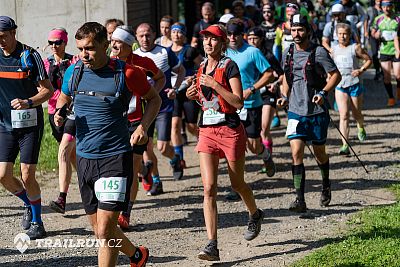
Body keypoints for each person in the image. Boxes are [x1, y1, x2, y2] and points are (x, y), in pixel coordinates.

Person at [54, 22, 161, 266]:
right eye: (80, 48)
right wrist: (59, 112)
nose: (84, 54)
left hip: (115, 157)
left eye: (90, 48)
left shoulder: (127, 73)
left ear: (106, 45)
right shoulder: (75, 71)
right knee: (101, 231)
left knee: (104, 231)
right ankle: (137, 254)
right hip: (85, 158)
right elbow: (64, 97)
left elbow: (154, 99)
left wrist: (143, 126)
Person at [186, 24, 264, 262]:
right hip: (208, 131)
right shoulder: (201, 68)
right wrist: (194, 94)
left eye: (213, 39)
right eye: (205, 39)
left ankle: (255, 213)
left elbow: (238, 102)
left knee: (237, 184)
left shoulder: (229, 66)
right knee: (209, 188)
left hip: (230, 130)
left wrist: (215, 85)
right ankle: (212, 244)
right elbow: (206, 101)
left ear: (222, 44)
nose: (208, 43)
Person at [277, 13, 342, 212]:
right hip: (295, 111)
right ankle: (299, 199)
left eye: (300, 30)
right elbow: (287, 77)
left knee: (319, 153)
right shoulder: (288, 52)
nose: (296, 34)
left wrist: (323, 92)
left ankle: (325, 184)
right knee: (296, 153)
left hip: (316, 111)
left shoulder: (319, 52)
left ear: (308, 30)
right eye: (293, 30)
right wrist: (284, 96)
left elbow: (335, 75)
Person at [0, 16, 54, 239]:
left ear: (14, 32)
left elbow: (48, 91)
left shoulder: (29, 56)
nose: (0, 41)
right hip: (4, 123)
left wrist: (28, 102)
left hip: (29, 124)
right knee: (3, 175)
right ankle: (28, 204)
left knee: (27, 175)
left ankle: (37, 222)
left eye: (3, 36)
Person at [110, 25, 166, 229]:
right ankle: (146, 168)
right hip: (115, 121)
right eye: (112, 41)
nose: (114, 45)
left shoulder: (142, 62)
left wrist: (152, 94)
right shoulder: (107, 64)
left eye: (119, 42)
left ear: (128, 45)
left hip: (139, 121)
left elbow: (160, 77)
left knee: (131, 168)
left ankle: (126, 212)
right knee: (119, 165)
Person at [134, 23, 186, 193]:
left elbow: (181, 71)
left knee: (163, 147)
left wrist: (175, 89)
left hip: (163, 106)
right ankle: (156, 180)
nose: (145, 39)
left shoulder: (165, 51)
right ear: (136, 37)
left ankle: (175, 158)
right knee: (147, 146)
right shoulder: (133, 56)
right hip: (143, 108)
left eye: (148, 35)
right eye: (141, 35)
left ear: (154, 34)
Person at [226, 19, 276, 188]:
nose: (232, 37)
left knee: (253, 146)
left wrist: (252, 89)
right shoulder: (223, 52)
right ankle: (237, 184)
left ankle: (265, 155)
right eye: (229, 34)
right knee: (233, 145)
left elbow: (269, 74)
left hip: (251, 105)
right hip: (230, 106)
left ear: (243, 35)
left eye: (236, 34)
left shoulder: (252, 52)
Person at [43, 27, 79, 214]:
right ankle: (91, 188)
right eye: (51, 43)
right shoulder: (45, 63)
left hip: (72, 112)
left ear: (65, 43)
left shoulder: (75, 61)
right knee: (72, 157)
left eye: (58, 42)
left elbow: (75, 88)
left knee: (64, 149)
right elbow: (41, 86)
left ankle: (61, 199)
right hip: (52, 112)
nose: (54, 46)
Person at [247, 26, 284, 174]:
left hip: (267, 95)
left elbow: (281, 75)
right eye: (249, 38)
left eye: (254, 38)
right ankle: (266, 156)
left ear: (261, 39)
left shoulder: (268, 56)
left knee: (264, 128)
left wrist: (275, 85)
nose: (252, 41)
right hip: (251, 96)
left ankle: (267, 160)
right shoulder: (245, 54)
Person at [332, 23, 371, 155]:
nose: (342, 36)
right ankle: (345, 145)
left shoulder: (355, 48)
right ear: (336, 35)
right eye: (340, 34)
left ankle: (360, 126)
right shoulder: (334, 49)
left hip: (354, 84)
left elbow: (368, 60)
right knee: (343, 115)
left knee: (356, 114)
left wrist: (361, 70)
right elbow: (330, 67)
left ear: (349, 35)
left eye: (345, 34)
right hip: (340, 85)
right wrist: (328, 77)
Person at [170, 22, 203, 169]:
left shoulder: (190, 51)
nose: (177, 34)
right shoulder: (165, 52)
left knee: (190, 126)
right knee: (175, 125)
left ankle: (202, 139)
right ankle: (180, 160)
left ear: (184, 35)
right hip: (173, 94)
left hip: (189, 93)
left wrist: (193, 78)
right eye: (174, 31)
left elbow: (203, 66)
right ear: (170, 34)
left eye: (180, 32)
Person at [371, 0, 400, 107]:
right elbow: (373, 33)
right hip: (384, 51)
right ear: (381, 8)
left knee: (398, 75)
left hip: (397, 50)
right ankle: (391, 98)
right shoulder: (378, 19)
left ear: (392, 6)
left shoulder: (398, 18)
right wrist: (376, 35)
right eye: (384, 7)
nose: (387, 9)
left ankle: (398, 89)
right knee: (387, 77)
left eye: (389, 6)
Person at [367, 0, 383, 80]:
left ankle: (383, 71)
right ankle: (377, 71)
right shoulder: (370, 9)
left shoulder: (385, 9)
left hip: (383, 35)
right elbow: (366, 20)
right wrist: (366, 32)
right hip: (372, 34)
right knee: (374, 54)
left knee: (383, 54)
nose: (379, 2)